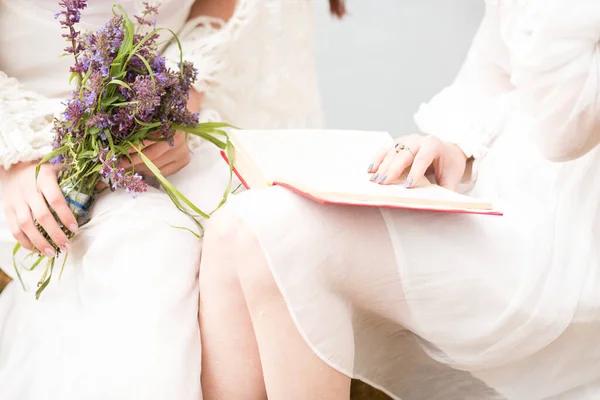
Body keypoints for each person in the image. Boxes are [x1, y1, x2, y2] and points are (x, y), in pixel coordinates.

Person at [197, 0, 600, 399]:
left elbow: (563, 131)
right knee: (231, 229)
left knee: (272, 234)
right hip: (502, 194)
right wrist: (454, 144)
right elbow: (493, 71)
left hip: (570, 240)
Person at [0, 0, 341, 398]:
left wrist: (178, 104)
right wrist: (13, 160)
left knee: (264, 223)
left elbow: (216, 10)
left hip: (154, 124)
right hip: (24, 139)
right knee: (150, 242)